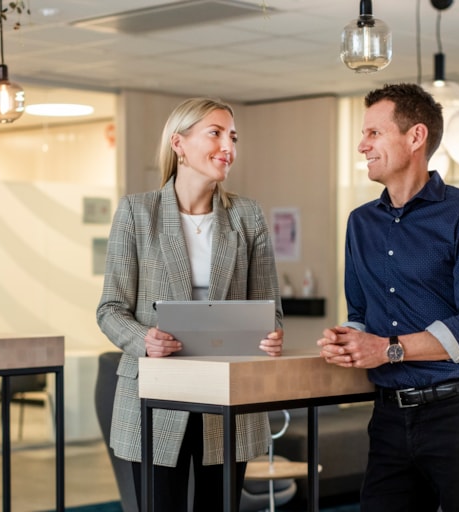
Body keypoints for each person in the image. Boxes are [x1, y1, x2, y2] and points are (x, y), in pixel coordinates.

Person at [317, 83, 459, 512]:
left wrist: (387, 350)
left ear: (415, 137)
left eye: (374, 133)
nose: (362, 145)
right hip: (388, 418)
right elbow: (362, 312)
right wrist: (348, 339)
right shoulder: (359, 223)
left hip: (458, 413)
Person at [96, 97, 284, 512]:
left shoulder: (247, 216)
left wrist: (271, 335)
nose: (228, 146)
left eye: (232, 136)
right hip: (156, 395)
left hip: (228, 397)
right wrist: (145, 338)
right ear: (179, 144)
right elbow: (109, 308)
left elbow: (269, 308)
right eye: (214, 133)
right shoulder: (136, 212)